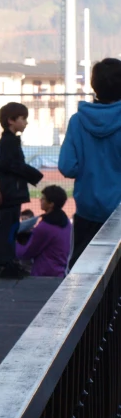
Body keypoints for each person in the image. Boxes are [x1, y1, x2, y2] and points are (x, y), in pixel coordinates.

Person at [59, 58, 121, 268]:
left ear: (94, 85)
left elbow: (67, 166)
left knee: (84, 271)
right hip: (118, 213)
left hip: (88, 210)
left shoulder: (77, 121)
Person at [0, 102, 44, 279]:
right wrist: (33, 174)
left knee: (10, 228)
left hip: (11, 193)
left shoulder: (10, 140)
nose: (25, 122)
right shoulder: (8, 142)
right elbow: (9, 164)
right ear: (11, 120)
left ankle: (8, 262)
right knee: (8, 228)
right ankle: (5, 263)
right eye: (23, 119)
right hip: (10, 194)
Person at [15, 185, 72, 277]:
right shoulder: (66, 222)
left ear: (51, 204)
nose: (40, 200)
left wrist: (13, 244)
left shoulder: (45, 227)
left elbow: (25, 253)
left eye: (43, 198)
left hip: (44, 275)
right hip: (61, 272)